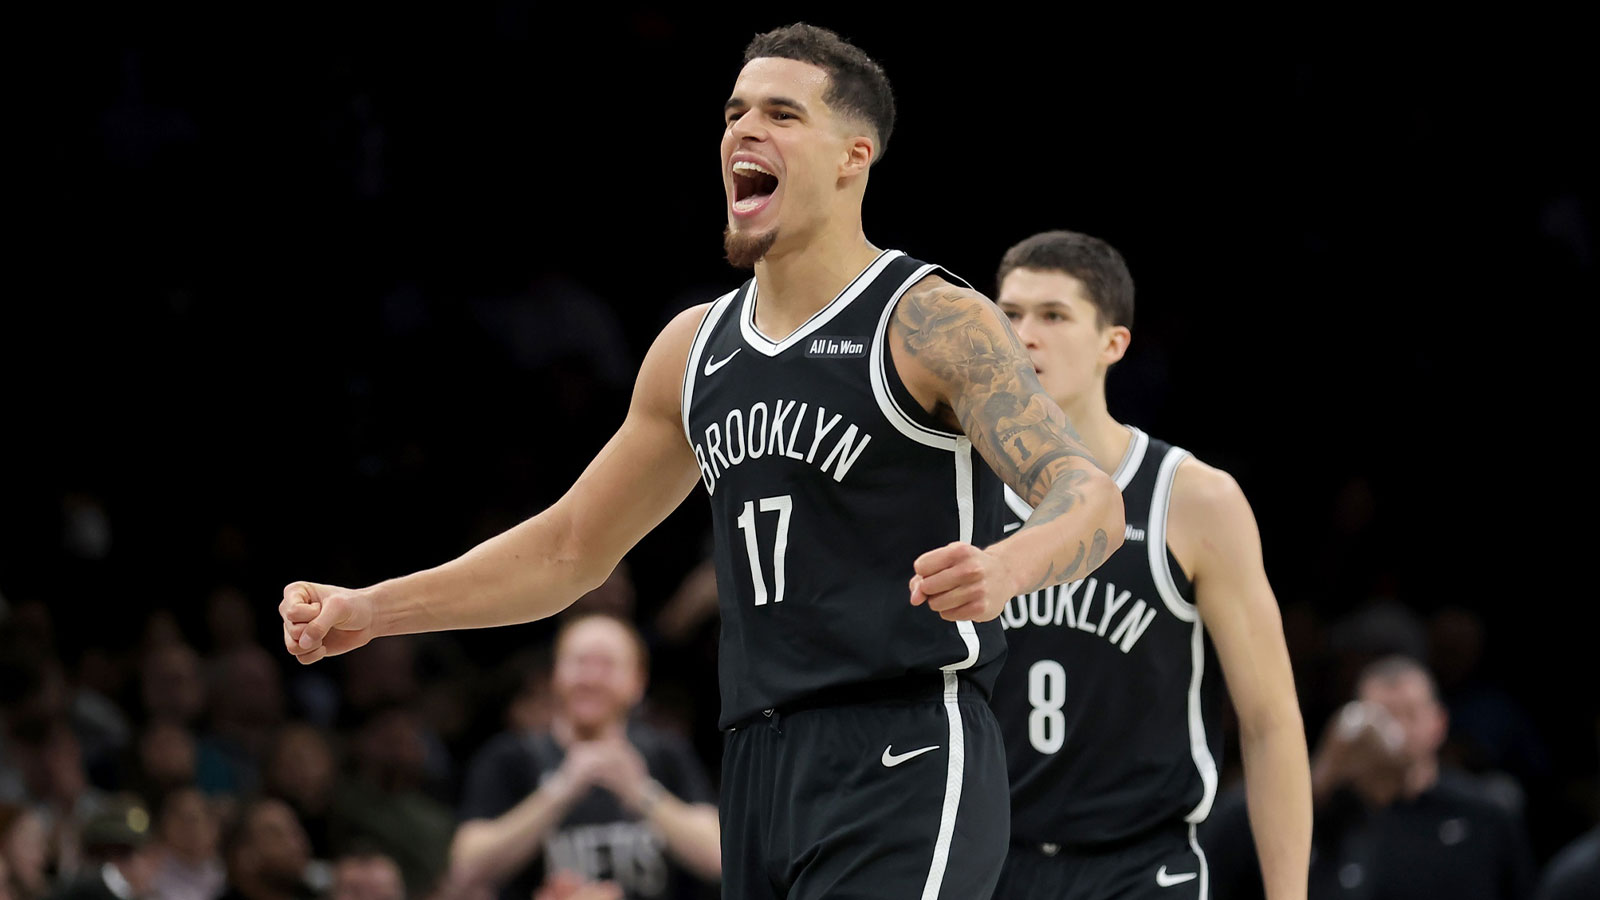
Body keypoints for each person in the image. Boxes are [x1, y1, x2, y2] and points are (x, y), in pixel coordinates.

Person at [279, 22, 1125, 900]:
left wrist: (1005, 566)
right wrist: (375, 609)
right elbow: (569, 549)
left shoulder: (930, 320)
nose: (743, 131)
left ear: (853, 156)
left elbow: (1090, 497)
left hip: (903, 742)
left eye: (781, 114)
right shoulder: (693, 348)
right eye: (734, 112)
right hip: (755, 764)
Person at [984, 230, 1311, 899]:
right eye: (1009, 314)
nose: (1024, 335)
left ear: (1114, 343)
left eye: (1053, 315)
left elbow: (1270, 720)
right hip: (989, 861)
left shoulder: (1194, 499)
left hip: (1139, 866)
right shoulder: (958, 490)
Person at [1206, 655, 1533, 899]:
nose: (1394, 732)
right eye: (1380, 716)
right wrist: (1323, 774)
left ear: (1438, 723)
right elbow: (1226, 840)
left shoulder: (1482, 815)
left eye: (1409, 714)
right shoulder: (1327, 813)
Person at [450, 614, 717, 900]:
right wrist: (559, 791)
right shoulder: (510, 757)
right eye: (579, 663)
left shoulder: (666, 755)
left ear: (638, 682)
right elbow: (466, 866)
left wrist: (642, 792)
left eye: (607, 665)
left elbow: (718, 857)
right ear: (555, 674)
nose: (590, 678)